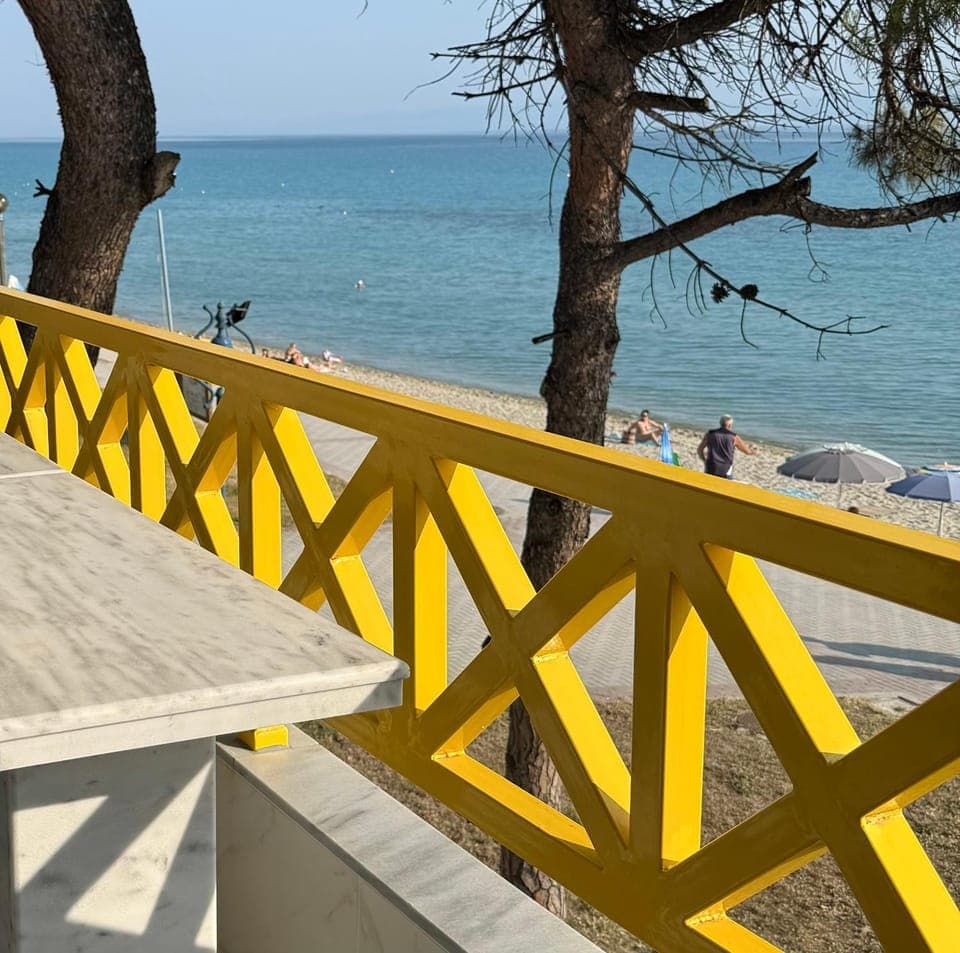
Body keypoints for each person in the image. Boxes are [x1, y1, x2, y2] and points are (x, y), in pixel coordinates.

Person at [697, 414, 757, 478]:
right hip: (725, 468)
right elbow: (747, 451)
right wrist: (754, 451)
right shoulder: (734, 437)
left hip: (711, 466)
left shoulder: (710, 434)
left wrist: (704, 460)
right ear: (730, 425)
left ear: (720, 423)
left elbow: (700, 450)